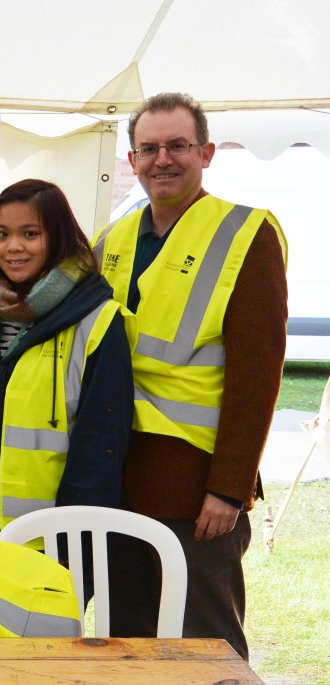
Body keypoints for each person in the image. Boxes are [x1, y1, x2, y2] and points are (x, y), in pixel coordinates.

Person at [92, 93, 288, 659]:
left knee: (205, 647)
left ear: (206, 153)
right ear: (132, 160)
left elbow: (258, 376)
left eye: (177, 146)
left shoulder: (245, 235)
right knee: (129, 642)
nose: (163, 160)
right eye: (149, 148)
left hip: (197, 488)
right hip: (120, 478)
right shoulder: (115, 238)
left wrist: (229, 486)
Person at [0, 179, 134, 547]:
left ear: (58, 236)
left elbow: (100, 448)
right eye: (2, 234)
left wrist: (74, 547)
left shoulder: (98, 321)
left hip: (47, 538)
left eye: (30, 233)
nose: (13, 246)